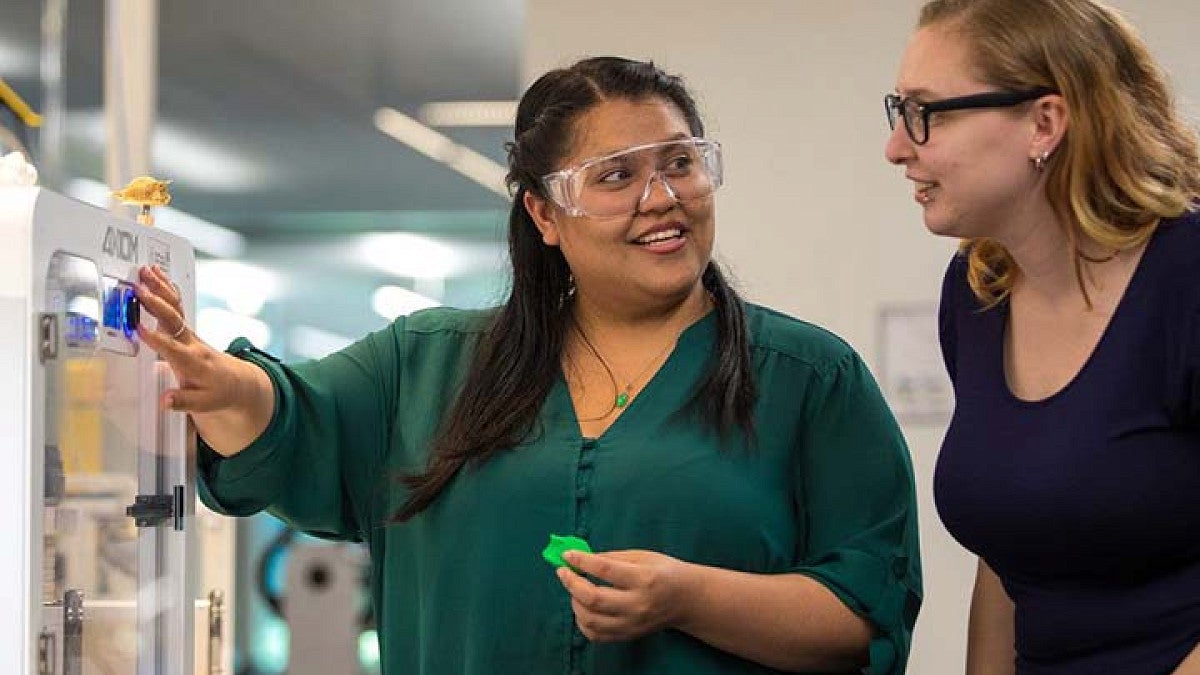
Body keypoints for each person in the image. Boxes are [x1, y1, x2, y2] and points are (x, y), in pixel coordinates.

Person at [139, 56, 921, 674]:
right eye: (615, 176)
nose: (662, 197)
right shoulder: (426, 365)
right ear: (544, 214)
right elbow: (288, 414)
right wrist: (217, 378)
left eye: (681, 163)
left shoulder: (809, 379)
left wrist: (689, 595)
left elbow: (864, 616)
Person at [883, 1, 1200, 672]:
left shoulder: (1186, 278)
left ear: (1044, 122)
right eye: (899, 109)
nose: (897, 146)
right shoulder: (975, 293)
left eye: (927, 112)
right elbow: (1009, 548)